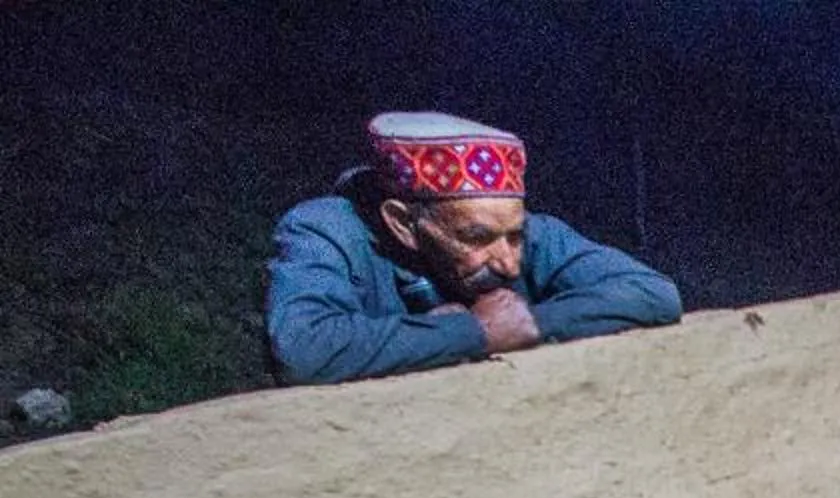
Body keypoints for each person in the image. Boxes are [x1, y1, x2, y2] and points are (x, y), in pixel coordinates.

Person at [266, 112, 681, 386]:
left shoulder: (529, 233)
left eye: (514, 236)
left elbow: (651, 293)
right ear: (403, 223)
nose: (508, 262)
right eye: (477, 239)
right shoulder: (326, 231)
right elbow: (305, 349)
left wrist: (524, 325)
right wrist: (474, 332)